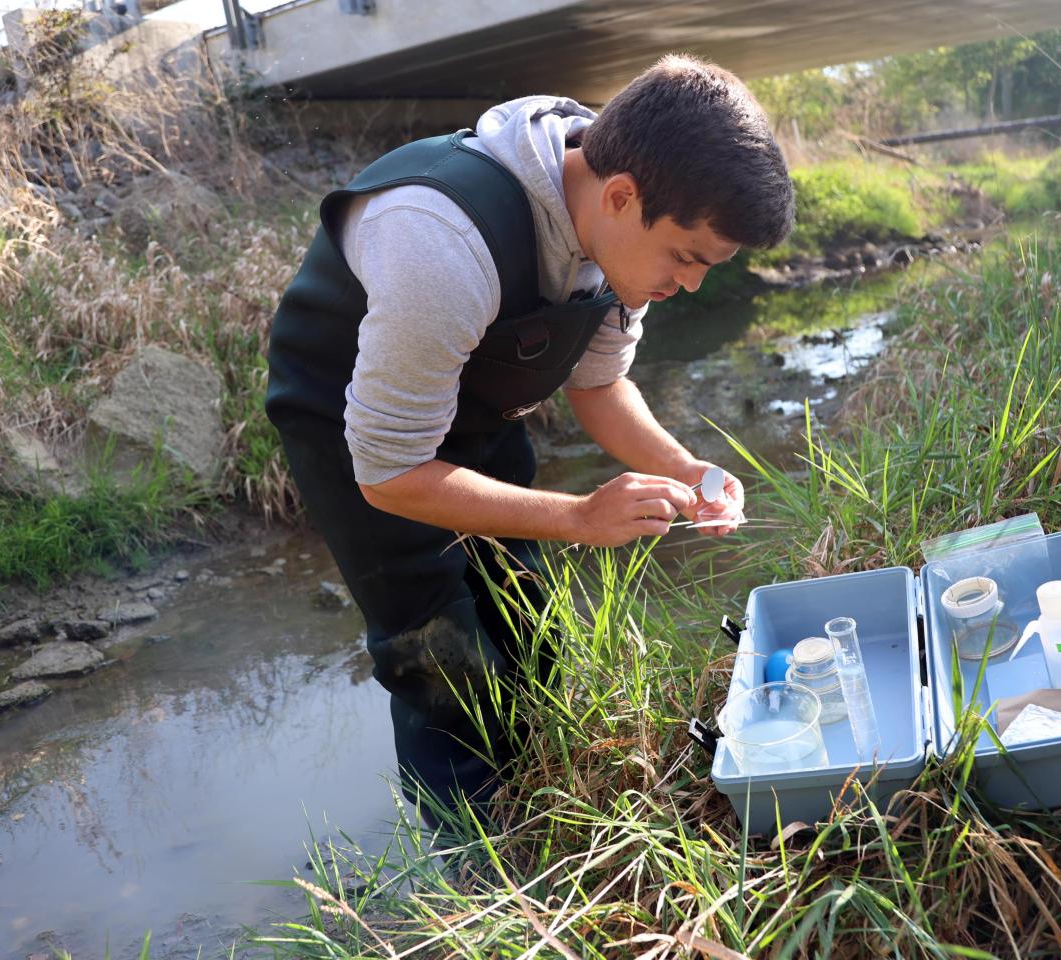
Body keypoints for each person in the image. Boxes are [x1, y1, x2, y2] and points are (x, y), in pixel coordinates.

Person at [265, 54, 794, 822]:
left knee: (525, 612)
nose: (690, 284)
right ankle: (476, 870)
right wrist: (579, 517)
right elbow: (390, 472)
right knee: (439, 654)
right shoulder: (440, 246)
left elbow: (601, 384)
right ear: (620, 196)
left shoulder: (616, 232)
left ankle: (544, 803)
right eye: (686, 257)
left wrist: (682, 467)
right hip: (361, 438)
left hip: (476, 406)